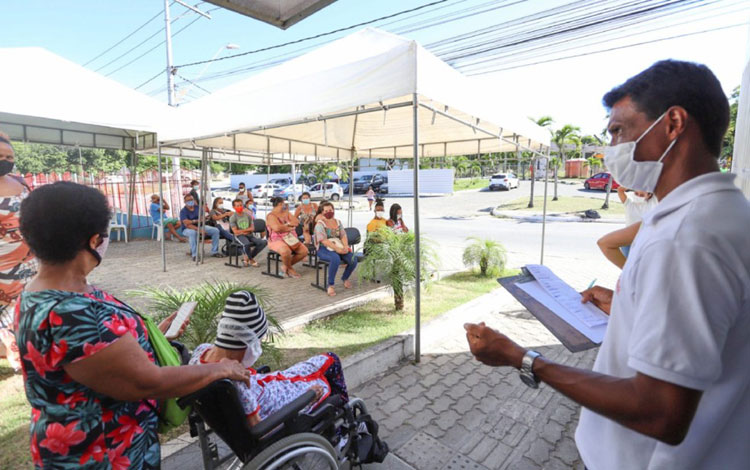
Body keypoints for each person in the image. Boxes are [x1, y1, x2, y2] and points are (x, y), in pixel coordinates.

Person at [465, 60, 750, 470]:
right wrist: (628, 308)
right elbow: (710, 329)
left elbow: (660, 412)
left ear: (673, 124)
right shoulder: (717, 213)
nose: (610, 147)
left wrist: (521, 357)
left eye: (619, 130)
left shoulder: (686, 238)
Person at [15, 181, 251, 469]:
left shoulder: (45, 292)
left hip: (82, 441)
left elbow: (100, 353)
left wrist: (158, 334)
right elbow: (146, 381)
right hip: (102, 452)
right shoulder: (70, 312)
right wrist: (221, 368)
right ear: (92, 241)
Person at [189, 291, 350, 428]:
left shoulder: (200, 352)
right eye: (258, 340)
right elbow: (260, 431)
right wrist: (308, 397)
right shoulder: (237, 385)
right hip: (282, 401)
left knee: (328, 360)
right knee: (331, 363)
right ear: (247, 343)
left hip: (268, 384)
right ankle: (344, 424)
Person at [0, 131, 35, 374]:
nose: (5, 159)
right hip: (2, 267)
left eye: (9, 155)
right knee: (9, 318)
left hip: (30, 264)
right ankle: (23, 365)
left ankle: (31, 362)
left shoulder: (21, 183)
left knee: (27, 312)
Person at [314, 202, 356, 297]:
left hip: (339, 246)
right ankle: (331, 285)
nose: (329, 212)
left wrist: (345, 246)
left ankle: (345, 278)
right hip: (323, 248)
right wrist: (337, 249)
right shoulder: (320, 224)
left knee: (353, 259)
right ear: (322, 212)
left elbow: (343, 235)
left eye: (331, 210)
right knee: (335, 258)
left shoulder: (338, 222)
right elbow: (323, 240)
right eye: (326, 211)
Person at [266, 197, 308, 278]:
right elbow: (276, 228)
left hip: (289, 238)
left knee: (304, 251)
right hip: (276, 240)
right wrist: (289, 227)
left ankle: (285, 266)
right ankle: (290, 268)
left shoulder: (286, 213)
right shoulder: (271, 216)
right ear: (280, 204)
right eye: (284, 203)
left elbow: (296, 222)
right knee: (286, 251)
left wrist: (285, 225)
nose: (285, 205)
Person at [616, 185, 658, 257]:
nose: (638, 196)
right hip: (628, 242)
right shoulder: (628, 203)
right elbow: (620, 190)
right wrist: (636, 184)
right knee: (627, 266)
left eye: (642, 195)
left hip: (645, 241)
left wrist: (645, 186)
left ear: (649, 195)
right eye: (636, 193)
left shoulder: (653, 202)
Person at [180, 194, 223, 261]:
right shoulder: (183, 211)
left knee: (215, 230)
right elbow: (187, 224)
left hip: (201, 226)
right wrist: (197, 224)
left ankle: (214, 251)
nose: (190, 201)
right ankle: (195, 255)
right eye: (188, 200)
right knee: (192, 233)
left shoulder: (198, 208)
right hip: (187, 229)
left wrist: (196, 221)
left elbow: (203, 218)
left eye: (191, 200)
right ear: (184, 202)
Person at [229, 199, 267, 267]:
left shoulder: (248, 215)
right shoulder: (233, 217)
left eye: (241, 205)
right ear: (233, 207)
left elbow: (252, 228)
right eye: (237, 206)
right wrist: (246, 231)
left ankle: (247, 258)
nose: (240, 207)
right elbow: (235, 231)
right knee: (246, 244)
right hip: (239, 236)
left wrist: (244, 231)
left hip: (249, 234)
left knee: (263, 242)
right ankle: (251, 260)